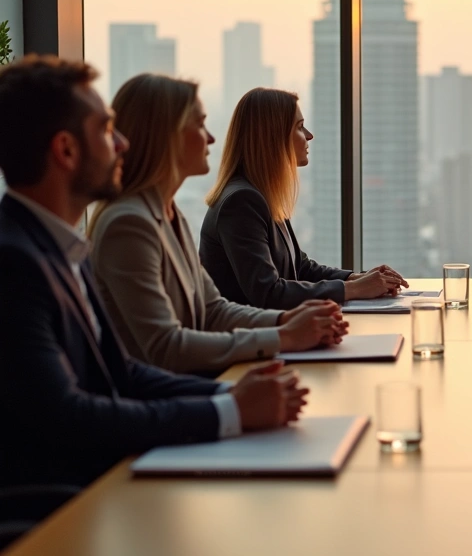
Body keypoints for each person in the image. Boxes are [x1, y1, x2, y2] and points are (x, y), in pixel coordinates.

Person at [0, 55, 308, 487]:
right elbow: (68, 416)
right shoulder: (16, 263)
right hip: (68, 501)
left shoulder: (61, 246)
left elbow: (120, 371)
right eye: (106, 130)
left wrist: (231, 393)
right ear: (66, 150)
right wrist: (229, 409)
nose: (122, 143)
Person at [89, 74, 347, 376]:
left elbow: (213, 310)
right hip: (169, 394)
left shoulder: (169, 214)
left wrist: (286, 322)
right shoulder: (129, 225)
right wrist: (284, 336)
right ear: (167, 137)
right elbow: (166, 347)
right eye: (200, 124)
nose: (211, 138)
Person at [200, 88, 406, 310]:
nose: (309, 135)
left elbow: (300, 267)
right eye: (299, 127)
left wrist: (357, 278)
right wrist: (353, 289)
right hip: (254, 331)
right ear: (273, 137)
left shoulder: (262, 194)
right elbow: (268, 292)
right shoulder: (241, 201)